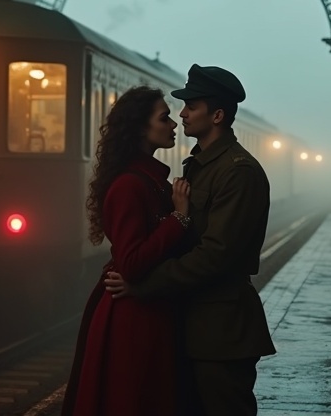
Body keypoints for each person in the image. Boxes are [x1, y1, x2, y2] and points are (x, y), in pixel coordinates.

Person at [105, 64, 277, 416]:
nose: (181, 114)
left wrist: (143, 285)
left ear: (216, 115)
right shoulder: (201, 166)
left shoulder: (237, 171)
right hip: (196, 324)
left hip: (221, 332)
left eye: (190, 106)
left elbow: (215, 255)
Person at [61, 86, 193, 416]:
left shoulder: (150, 181)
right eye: (164, 118)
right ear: (139, 127)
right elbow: (132, 262)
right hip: (132, 320)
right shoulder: (129, 186)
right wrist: (179, 218)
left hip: (145, 312)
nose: (173, 124)